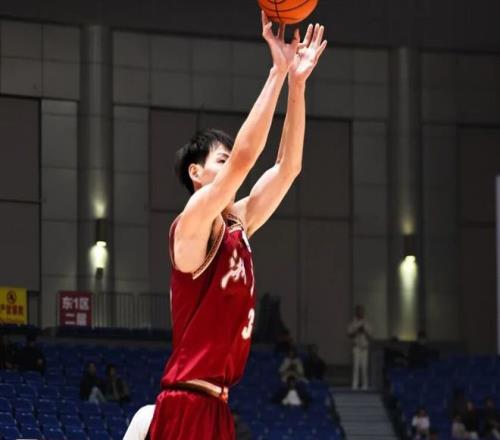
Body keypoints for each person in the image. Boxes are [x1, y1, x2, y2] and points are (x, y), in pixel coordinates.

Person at [146, 12, 327, 440]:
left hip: (218, 405)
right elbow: (247, 158)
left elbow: (287, 167)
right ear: (196, 172)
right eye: (221, 160)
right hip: (187, 400)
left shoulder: (237, 222)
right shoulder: (192, 222)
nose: (232, 165)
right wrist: (276, 72)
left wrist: (298, 85)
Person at [347, 305, 372, 390]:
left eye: (362, 311)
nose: (361, 312)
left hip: (364, 348)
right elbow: (349, 335)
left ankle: (365, 386)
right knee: (356, 367)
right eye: (359, 311)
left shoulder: (367, 323)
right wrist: (357, 330)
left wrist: (364, 331)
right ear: (356, 312)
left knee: (364, 367)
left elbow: (370, 336)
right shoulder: (352, 323)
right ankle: (355, 386)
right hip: (356, 347)